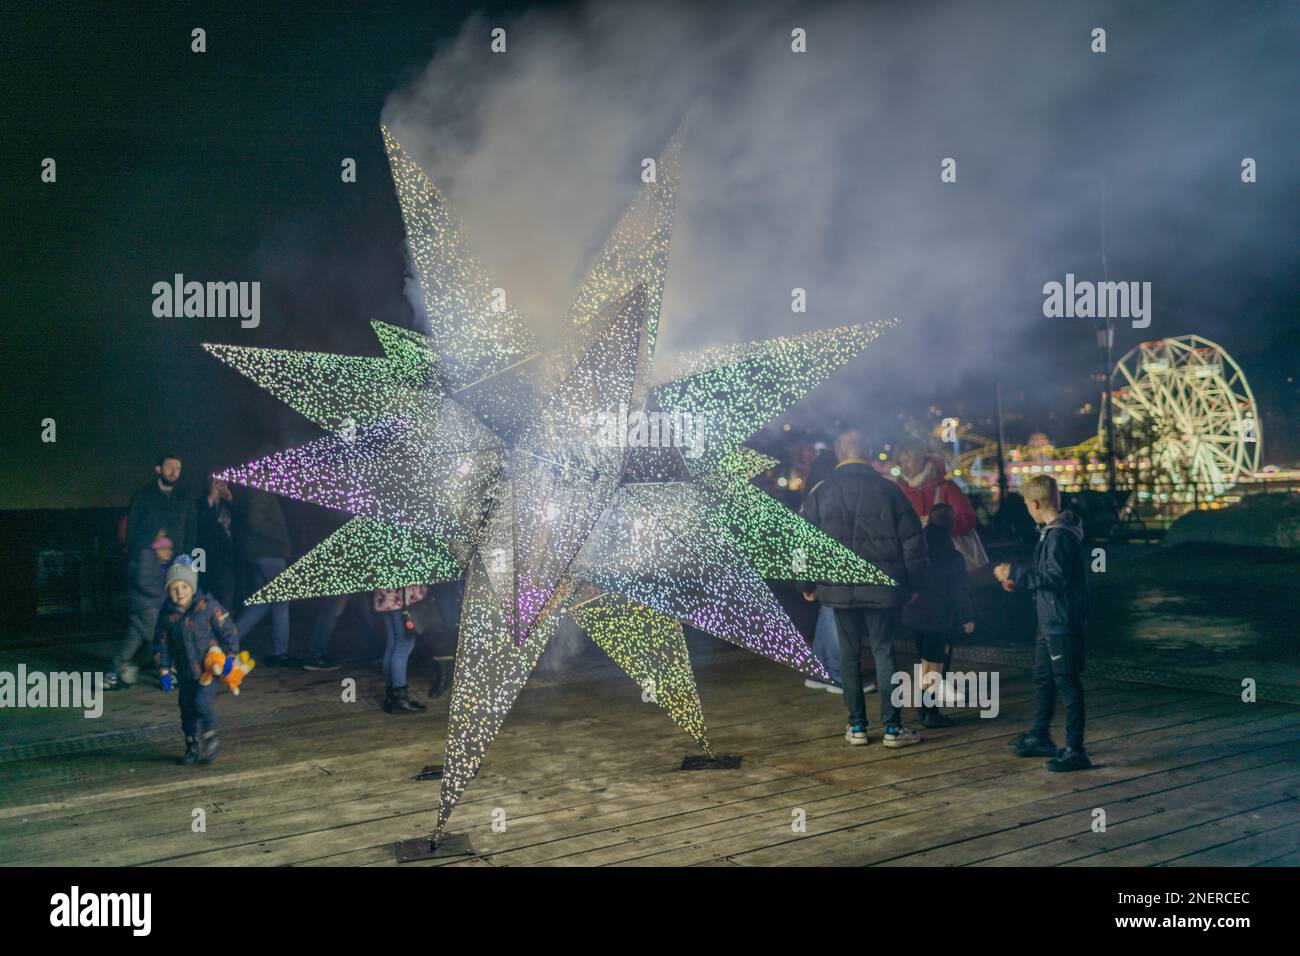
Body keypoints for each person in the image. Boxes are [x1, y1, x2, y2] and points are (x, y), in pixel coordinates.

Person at [800, 429, 926, 748]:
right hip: (883, 589)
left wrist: (806, 583)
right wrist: (912, 582)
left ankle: (856, 726)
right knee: (885, 653)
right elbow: (913, 542)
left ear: (840, 455)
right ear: (868, 454)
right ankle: (893, 728)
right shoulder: (890, 490)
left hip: (839, 590)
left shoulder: (821, 491)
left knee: (849, 655)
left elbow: (801, 543)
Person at [994, 474, 1092, 772]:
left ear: (1034, 503)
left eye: (1026, 504)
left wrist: (1015, 573)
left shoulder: (1059, 535)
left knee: (1066, 682)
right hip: (1049, 619)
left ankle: (1076, 749)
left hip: (1061, 621)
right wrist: (1019, 580)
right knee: (1043, 677)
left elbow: (1056, 578)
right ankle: (1040, 735)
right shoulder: (1053, 531)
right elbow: (1048, 574)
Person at [107, 454, 197, 690]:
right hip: (148, 571)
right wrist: (142, 557)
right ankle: (165, 670)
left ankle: (119, 669)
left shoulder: (183, 498)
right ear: (158, 468)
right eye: (170, 467)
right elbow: (134, 533)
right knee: (158, 630)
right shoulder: (144, 497)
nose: (175, 471)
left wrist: (185, 562)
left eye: (178, 467)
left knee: (139, 631)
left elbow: (190, 531)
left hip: (170, 568)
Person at [153, 556, 238, 765]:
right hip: (184, 672)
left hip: (208, 670)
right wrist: (163, 669)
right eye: (174, 588)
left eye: (184, 586)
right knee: (187, 709)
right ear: (167, 591)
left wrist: (230, 656)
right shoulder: (166, 616)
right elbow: (161, 645)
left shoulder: (207, 607)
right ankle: (191, 745)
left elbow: (229, 631)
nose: (180, 592)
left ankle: (210, 739)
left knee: (202, 704)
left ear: (192, 586)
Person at [904, 503, 974, 727]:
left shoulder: (917, 549)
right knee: (936, 664)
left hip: (915, 615)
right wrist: (967, 618)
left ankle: (923, 708)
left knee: (923, 660)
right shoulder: (952, 556)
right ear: (952, 524)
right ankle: (930, 711)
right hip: (941, 618)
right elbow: (960, 591)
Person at [231, 483, 294, 666]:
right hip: (270, 553)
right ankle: (279, 654)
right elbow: (255, 523)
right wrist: (282, 536)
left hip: (262, 554)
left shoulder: (255, 490)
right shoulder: (260, 491)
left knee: (261, 604)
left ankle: (229, 639)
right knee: (282, 602)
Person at [895, 444, 977, 534]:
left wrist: (937, 522)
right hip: (916, 547)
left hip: (946, 546)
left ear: (921, 460)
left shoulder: (946, 488)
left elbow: (969, 518)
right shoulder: (901, 490)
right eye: (901, 463)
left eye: (906, 461)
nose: (903, 466)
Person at [374, 584, 428, 713]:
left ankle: (392, 696)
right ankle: (400, 699)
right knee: (404, 645)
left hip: (385, 597)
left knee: (393, 644)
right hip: (401, 599)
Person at [195, 476, 235, 610]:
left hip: (227, 557)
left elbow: (241, 523)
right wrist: (211, 498)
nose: (219, 485)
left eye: (223, 482)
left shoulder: (229, 505)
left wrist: (230, 500)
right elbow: (202, 525)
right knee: (205, 594)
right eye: (216, 482)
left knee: (227, 595)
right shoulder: (199, 503)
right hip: (206, 557)